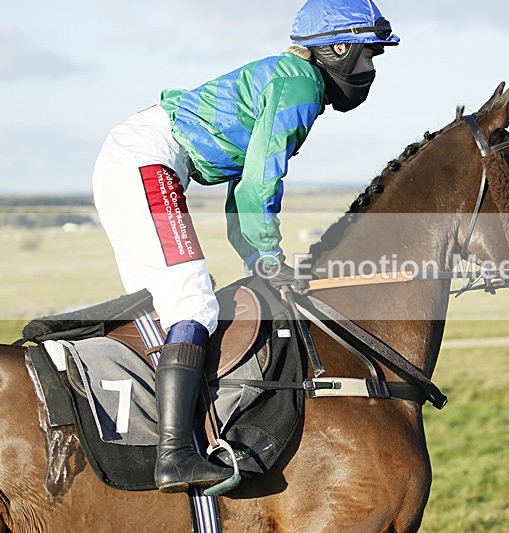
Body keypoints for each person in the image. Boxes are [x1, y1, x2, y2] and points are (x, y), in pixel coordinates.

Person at [92, 0, 399, 493]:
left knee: (174, 304)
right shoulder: (300, 84)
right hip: (148, 158)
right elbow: (259, 184)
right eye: (368, 53)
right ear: (338, 49)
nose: (371, 66)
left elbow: (242, 190)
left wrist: (258, 258)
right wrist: (270, 257)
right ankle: (174, 457)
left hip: (136, 155)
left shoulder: (290, 79)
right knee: (191, 303)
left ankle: (166, 437)